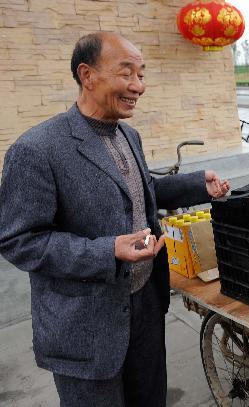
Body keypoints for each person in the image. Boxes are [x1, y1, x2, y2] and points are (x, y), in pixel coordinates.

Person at [0, 32, 230, 407]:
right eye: (127, 73)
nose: (138, 86)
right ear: (87, 75)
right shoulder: (36, 150)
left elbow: (140, 193)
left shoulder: (129, 135)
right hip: (86, 323)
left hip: (145, 307)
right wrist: (107, 251)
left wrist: (196, 184)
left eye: (141, 74)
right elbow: (18, 240)